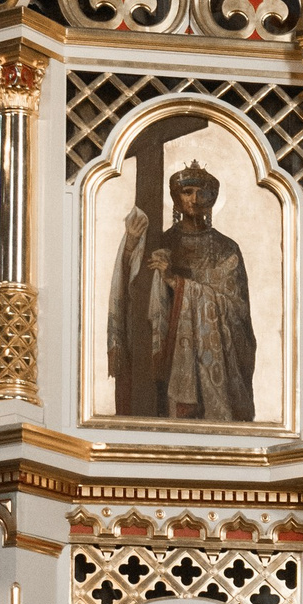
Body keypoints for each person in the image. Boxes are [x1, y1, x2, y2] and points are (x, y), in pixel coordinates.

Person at [122, 162, 258, 424]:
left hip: (213, 364)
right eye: (187, 192)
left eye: (202, 193)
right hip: (170, 354)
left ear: (212, 199)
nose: (195, 199)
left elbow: (237, 313)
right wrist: (130, 247)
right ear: (176, 198)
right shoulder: (161, 242)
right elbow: (134, 291)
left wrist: (177, 283)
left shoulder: (226, 249)